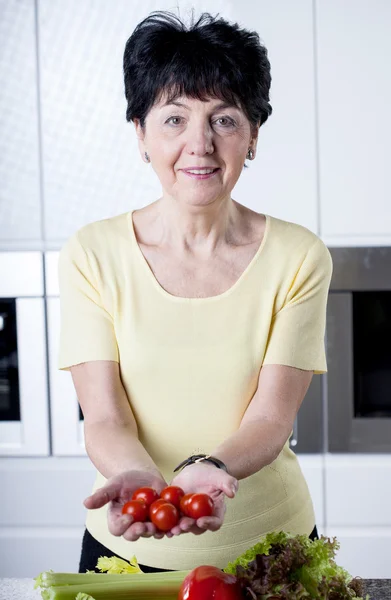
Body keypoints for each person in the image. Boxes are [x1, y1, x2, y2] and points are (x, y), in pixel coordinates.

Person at [58, 10, 333, 574]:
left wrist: (209, 467)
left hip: (268, 547)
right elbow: (105, 418)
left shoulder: (298, 257)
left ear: (253, 134)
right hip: (130, 543)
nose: (199, 145)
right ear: (141, 133)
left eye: (224, 120)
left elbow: (270, 418)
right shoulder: (93, 254)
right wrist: (140, 480)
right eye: (174, 119)